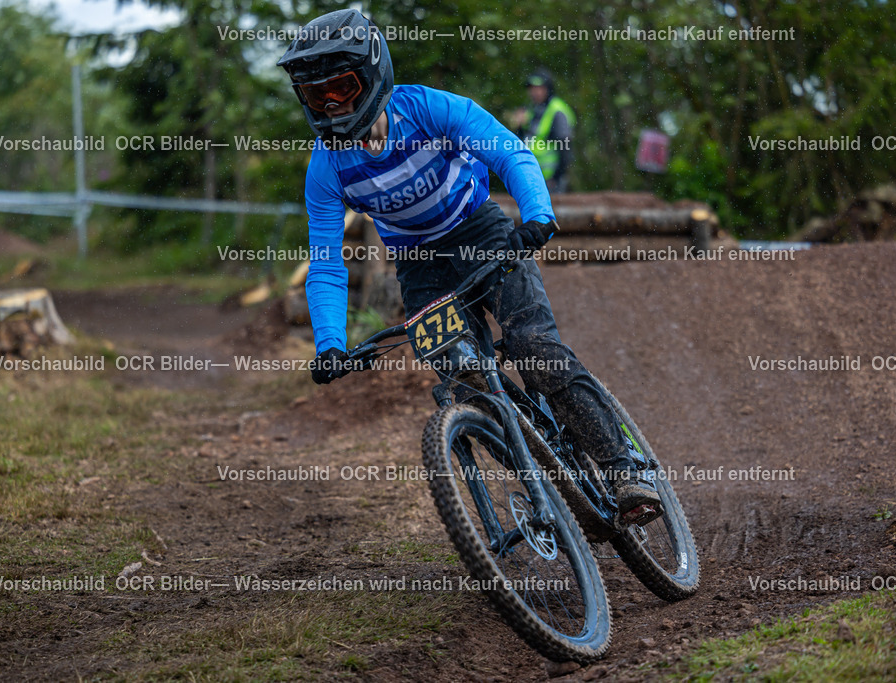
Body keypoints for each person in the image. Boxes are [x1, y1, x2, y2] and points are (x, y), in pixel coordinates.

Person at [277, 9, 658, 523]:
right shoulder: (326, 168)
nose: (330, 104)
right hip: (419, 264)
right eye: (315, 94)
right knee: (464, 384)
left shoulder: (430, 109)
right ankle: (548, 488)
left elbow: (511, 153)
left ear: (372, 74)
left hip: (481, 231)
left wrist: (538, 217)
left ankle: (623, 466)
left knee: (533, 347)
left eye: (341, 87)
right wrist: (329, 345)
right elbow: (325, 264)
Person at [512, 69, 575, 193]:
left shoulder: (557, 110)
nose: (535, 92)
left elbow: (566, 148)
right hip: (532, 177)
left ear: (548, 89)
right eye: (532, 88)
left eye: (539, 88)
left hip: (551, 181)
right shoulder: (531, 109)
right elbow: (524, 142)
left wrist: (556, 178)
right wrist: (519, 127)